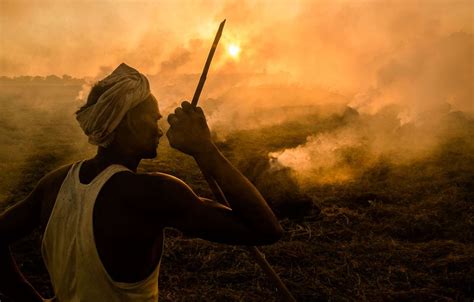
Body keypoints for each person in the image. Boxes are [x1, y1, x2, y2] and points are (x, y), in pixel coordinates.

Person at [0, 63, 282, 301]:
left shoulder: (54, 183)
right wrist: (206, 150)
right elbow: (265, 229)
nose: (159, 129)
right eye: (152, 118)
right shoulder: (152, 194)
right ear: (131, 122)